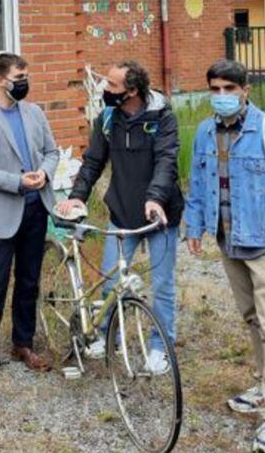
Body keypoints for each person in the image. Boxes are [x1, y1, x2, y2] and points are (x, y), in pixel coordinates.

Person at [185, 59, 265, 453]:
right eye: (215, 89)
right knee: (252, 318)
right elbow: (197, 182)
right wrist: (194, 226)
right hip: (229, 243)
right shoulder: (206, 133)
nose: (221, 97)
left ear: (246, 89)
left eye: (229, 89)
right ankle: (263, 386)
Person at [55, 60, 182, 374]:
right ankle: (104, 336)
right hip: (122, 212)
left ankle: (159, 348)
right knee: (113, 284)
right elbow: (93, 162)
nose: (104, 90)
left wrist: (155, 199)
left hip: (159, 215)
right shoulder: (108, 118)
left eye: (111, 85)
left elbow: (167, 162)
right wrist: (76, 197)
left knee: (162, 285)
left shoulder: (163, 118)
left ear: (132, 91)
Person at [0, 52, 60, 378]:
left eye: (26, 78)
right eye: (19, 79)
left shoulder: (34, 113)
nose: (24, 84)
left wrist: (44, 174)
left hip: (36, 208)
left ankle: (24, 343)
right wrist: (17, 182)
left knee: (29, 281)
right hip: (2, 213)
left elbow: (51, 151)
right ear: (0, 80)